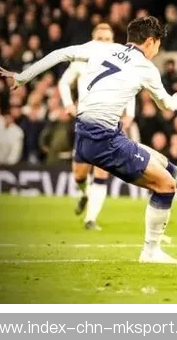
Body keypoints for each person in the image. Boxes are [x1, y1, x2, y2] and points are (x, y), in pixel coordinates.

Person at [0, 16, 177, 265]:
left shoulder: (103, 48)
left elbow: (60, 54)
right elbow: (166, 106)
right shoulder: (146, 68)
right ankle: (151, 252)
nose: (157, 51)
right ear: (151, 42)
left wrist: (23, 77)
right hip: (103, 138)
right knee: (165, 185)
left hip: (88, 132)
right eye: (158, 45)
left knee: (161, 163)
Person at [58, 23, 136, 230]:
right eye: (100, 39)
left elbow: (130, 86)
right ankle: (85, 194)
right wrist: (68, 103)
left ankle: (90, 219)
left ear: (113, 41)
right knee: (79, 175)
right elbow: (64, 82)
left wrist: (130, 114)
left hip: (109, 121)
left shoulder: (121, 61)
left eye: (107, 39)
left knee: (102, 172)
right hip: (86, 122)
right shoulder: (82, 59)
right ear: (93, 40)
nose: (103, 43)